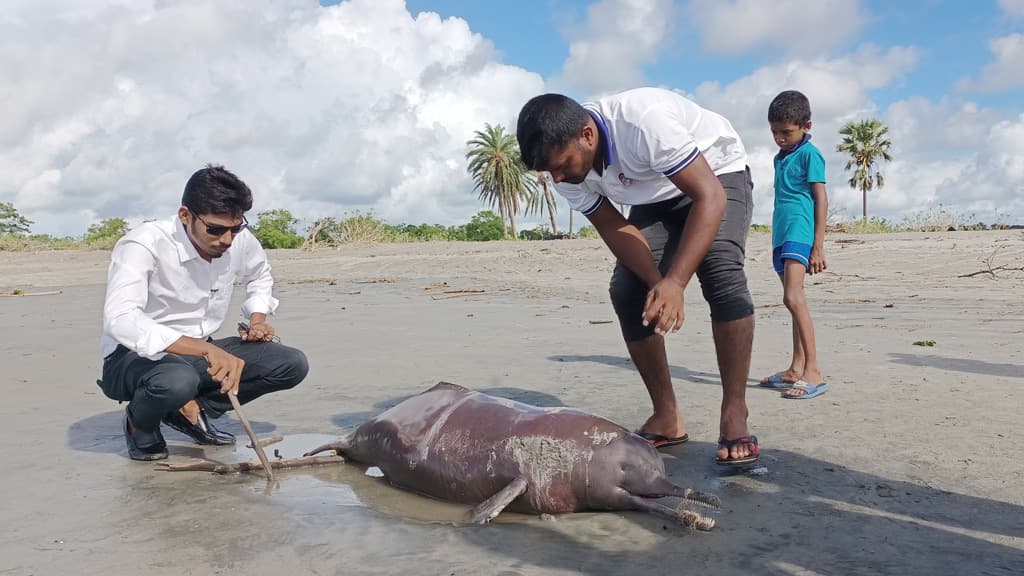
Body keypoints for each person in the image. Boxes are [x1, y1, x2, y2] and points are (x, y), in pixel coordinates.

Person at [516, 87, 759, 465]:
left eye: (562, 164)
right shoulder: (562, 173)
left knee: (721, 270)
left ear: (587, 134)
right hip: (653, 195)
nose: (558, 176)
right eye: (550, 171)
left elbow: (710, 197)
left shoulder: (643, 122)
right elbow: (614, 228)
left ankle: (734, 410)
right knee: (628, 290)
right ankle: (667, 416)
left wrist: (676, 282)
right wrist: (656, 281)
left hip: (715, 172)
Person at [97, 164, 309, 461]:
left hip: (198, 351)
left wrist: (257, 319)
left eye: (236, 228)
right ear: (185, 215)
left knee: (290, 364)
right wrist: (205, 350)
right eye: (215, 229)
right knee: (177, 381)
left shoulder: (238, 240)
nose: (226, 240)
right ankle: (140, 423)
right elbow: (122, 320)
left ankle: (187, 409)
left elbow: (260, 276)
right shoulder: (143, 243)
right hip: (131, 357)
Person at [759, 90, 829, 399]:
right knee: (793, 299)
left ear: (806, 125)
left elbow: (820, 197)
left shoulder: (810, 154)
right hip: (781, 232)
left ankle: (813, 370)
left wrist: (818, 246)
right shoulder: (780, 157)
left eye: (786, 132)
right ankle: (795, 368)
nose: (779, 138)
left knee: (793, 297)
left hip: (800, 231)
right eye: (774, 131)